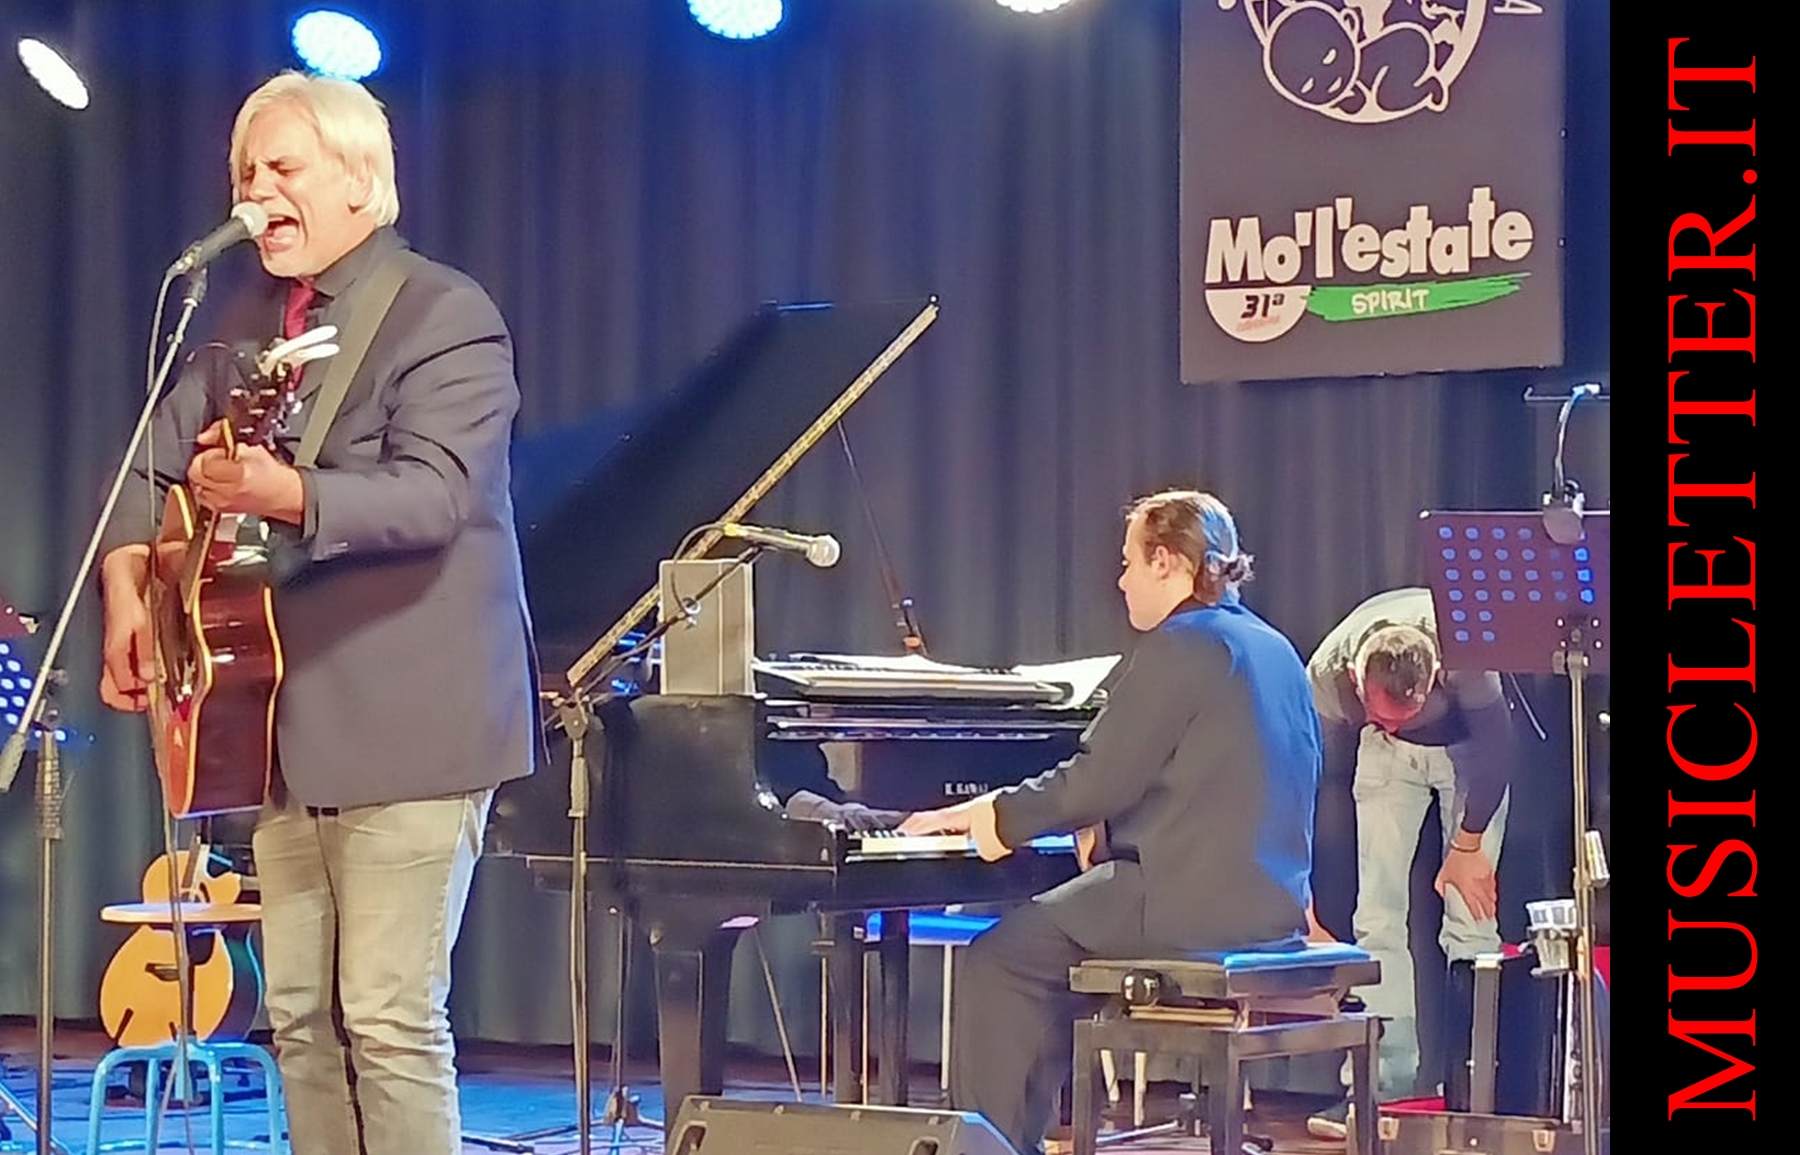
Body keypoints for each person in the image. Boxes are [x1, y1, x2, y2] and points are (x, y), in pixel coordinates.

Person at [97, 72, 538, 1155]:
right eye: (246, 173)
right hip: (279, 726)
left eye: (283, 169)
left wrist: (283, 492)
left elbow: (437, 496)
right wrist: (126, 585)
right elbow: (148, 471)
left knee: (386, 1017)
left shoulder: (443, 313)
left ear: (358, 180)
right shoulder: (242, 321)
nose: (256, 193)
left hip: (415, 718)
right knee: (299, 1017)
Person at [899, 490, 1322, 1155]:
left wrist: (992, 816)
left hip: (1181, 900)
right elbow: (1214, 779)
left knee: (1000, 961)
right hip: (1270, 906)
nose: (1121, 581)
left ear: (1166, 561)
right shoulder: (1275, 648)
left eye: (1128, 563)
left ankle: (991, 1147)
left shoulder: (1183, 643)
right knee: (1054, 951)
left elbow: (1098, 780)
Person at [1303, 586, 1514, 1139]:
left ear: (1435, 675)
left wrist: (1467, 847)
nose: (1400, 723)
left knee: (1471, 922)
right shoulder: (1328, 675)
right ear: (1357, 681)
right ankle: (1380, 1091)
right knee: (1377, 918)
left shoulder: (1462, 647)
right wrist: (1300, 895)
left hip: (1468, 753)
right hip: (1384, 760)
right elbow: (1301, 777)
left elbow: (1498, 746)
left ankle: (1475, 1093)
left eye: (1406, 715)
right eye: (1385, 715)